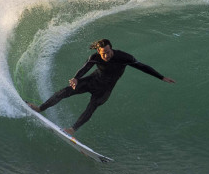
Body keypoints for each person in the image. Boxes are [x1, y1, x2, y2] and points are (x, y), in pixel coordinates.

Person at [27, 38, 175, 136]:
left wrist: (161, 77)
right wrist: (76, 79)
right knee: (64, 92)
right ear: (98, 51)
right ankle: (40, 108)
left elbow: (142, 67)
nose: (107, 55)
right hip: (92, 81)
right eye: (104, 53)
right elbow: (84, 69)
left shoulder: (124, 58)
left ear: (112, 49)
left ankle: (72, 129)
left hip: (105, 89)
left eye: (109, 52)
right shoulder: (95, 58)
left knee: (91, 107)